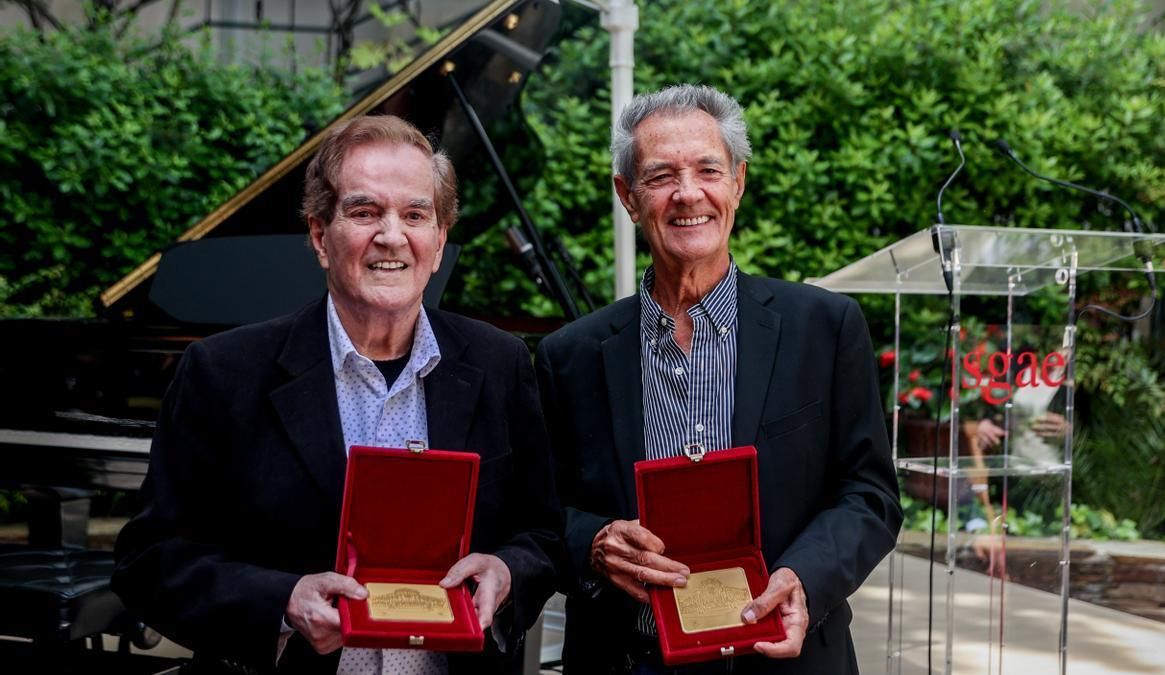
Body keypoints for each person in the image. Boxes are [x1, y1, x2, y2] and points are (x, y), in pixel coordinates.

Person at [113, 115, 562, 675]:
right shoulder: (223, 372)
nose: (392, 236)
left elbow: (543, 532)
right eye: (365, 211)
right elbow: (149, 560)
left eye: (416, 215)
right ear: (321, 236)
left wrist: (507, 568)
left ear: (440, 240)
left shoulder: (500, 364)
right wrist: (281, 601)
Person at [535, 85, 901, 674]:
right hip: (627, 659)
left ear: (738, 183)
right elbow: (541, 512)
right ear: (628, 197)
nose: (688, 194)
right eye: (660, 176)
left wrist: (802, 577)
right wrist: (594, 543)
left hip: (786, 657)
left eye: (708, 169)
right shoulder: (569, 355)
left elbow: (870, 495)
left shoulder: (825, 329)